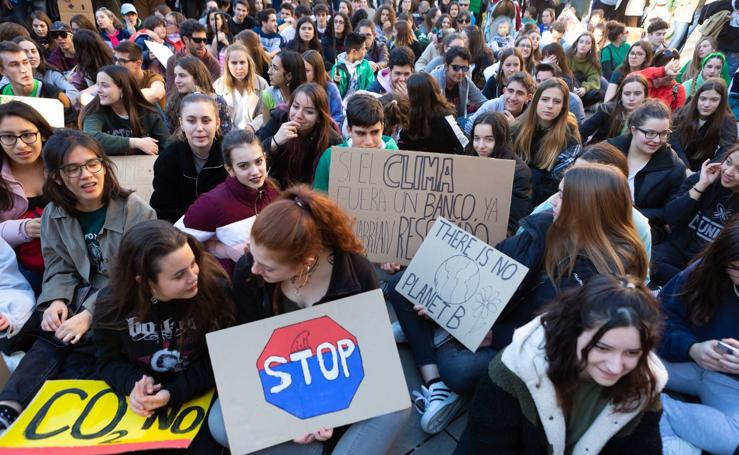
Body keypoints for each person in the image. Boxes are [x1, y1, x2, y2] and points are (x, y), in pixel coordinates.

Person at [391, 163, 650, 435]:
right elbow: (492, 262)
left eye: (562, 195)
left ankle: (433, 334)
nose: (553, 199)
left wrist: (489, 333)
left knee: (460, 369)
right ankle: (435, 383)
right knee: (403, 284)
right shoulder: (543, 224)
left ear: (583, 207)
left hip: (523, 345)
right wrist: (449, 302)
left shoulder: (606, 277)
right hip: (489, 313)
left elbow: (559, 340)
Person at [208, 185, 410, 452]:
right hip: (280, 378)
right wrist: (292, 415)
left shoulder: (355, 271)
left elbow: (370, 352)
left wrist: (330, 416)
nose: (255, 269)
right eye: (253, 256)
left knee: (396, 406)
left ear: (306, 262)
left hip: (338, 378)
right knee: (221, 423)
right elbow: (247, 349)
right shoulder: (249, 270)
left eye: (268, 267)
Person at [0, 129, 155, 431]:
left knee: (85, 342)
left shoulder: (135, 210)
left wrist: (89, 315)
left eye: (92, 163)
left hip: (126, 298)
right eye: (73, 168)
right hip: (78, 294)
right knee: (53, 333)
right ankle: (10, 403)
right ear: (56, 176)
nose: (86, 174)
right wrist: (56, 300)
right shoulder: (54, 214)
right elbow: (58, 266)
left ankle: (70, 412)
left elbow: (135, 275)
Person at [460, 273, 665, 453]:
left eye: (631, 352)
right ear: (574, 331)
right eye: (602, 348)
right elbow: (490, 445)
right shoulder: (514, 370)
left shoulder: (644, 386)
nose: (615, 366)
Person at [93, 220, 236, 452]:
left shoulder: (214, 290)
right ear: (145, 282)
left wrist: (173, 393)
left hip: (199, 391)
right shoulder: (112, 305)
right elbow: (106, 360)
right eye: (179, 275)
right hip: (143, 401)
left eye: (193, 264)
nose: (193, 277)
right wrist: (134, 383)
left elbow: (221, 360)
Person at [657, 219, 739, 455]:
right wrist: (692, 348)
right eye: (737, 268)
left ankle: (651, 406)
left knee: (733, 441)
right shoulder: (706, 272)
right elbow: (660, 316)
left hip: (731, 385)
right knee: (618, 361)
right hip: (683, 361)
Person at [183, 129, 279, 273]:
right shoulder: (211, 203)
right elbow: (178, 240)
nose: (255, 171)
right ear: (230, 170)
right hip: (235, 287)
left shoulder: (273, 191)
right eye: (244, 166)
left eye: (259, 161)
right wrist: (224, 250)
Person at [651, 147, 739, 286]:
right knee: (648, 261)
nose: (728, 172)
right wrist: (701, 185)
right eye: (728, 162)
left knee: (706, 286)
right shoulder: (703, 178)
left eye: (738, 170)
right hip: (674, 252)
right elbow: (671, 216)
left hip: (708, 267)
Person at [606, 99, 687, 240]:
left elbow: (670, 211)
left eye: (663, 134)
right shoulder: (608, 150)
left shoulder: (674, 167)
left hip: (640, 229)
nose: (656, 140)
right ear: (633, 129)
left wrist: (630, 213)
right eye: (650, 133)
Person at [0, 102, 54, 293]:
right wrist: (23, 229)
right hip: (19, 268)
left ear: (43, 133)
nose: (20, 145)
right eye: (8, 137)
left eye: (27, 134)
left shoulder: (62, 164)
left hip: (72, 255)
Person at [150, 93, 227, 222]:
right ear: (181, 123)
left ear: (217, 123)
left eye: (206, 120)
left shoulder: (230, 156)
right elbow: (164, 209)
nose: (199, 128)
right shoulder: (168, 160)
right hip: (181, 230)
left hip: (223, 227)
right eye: (191, 121)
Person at [257, 82, 342, 187]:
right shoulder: (279, 119)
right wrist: (274, 141)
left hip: (313, 195)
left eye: (309, 112)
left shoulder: (331, 139)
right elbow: (253, 150)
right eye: (296, 107)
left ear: (319, 117)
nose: (298, 115)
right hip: (277, 191)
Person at [511, 78, 581, 205]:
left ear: (563, 106)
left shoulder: (570, 139)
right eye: (545, 99)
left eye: (557, 101)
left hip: (543, 203)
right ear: (536, 101)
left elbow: (556, 186)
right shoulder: (515, 129)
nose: (550, 106)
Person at [313, 93, 399, 191]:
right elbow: (319, 199)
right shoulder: (330, 158)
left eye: (375, 132)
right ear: (349, 130)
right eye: (361, 133)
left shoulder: (395, 158)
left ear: (382, 128)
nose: (369, 142)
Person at [79, 65, 169, 156]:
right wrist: (135, 142)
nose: (99, 90)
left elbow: (166, 143)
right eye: (98, 85)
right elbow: (91, 137)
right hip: (108, 166)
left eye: (105, 85)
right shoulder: (95, 109)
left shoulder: (147, 109)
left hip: (144, 165)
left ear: (123, 89)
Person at [466, 112, 532, 233]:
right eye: (476, 138)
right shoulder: (468, 156)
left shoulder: (518, 172)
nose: (481, 146)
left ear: (502, 139)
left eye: (489, 139)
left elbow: (514, 222)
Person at [0, 42, 75, 126]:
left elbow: (71, 131)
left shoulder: (55, 96)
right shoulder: (2, 94)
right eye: (14, 65)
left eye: (25, 62)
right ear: (2, 71)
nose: (23, 70)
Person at [671, 79, 737, 172]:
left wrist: (704, 172)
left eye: (714, 100)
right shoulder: (687, 108)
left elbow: (725, 150)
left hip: (704, 167)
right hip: (678, 160)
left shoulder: (728, 120)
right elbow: (673, 137)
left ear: (721, 101)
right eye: (703, 98)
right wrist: (684, 166)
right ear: (697, 97)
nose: (706, 104)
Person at [398, 72, 468, 154]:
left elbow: (464, 145)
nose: (405, 93)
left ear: (415, 96)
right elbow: (400, 145)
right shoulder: (408, 115)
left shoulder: (444, 117)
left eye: (408, 90)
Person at [166, 56, 233, 136]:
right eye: (175, 75)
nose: (176, 80)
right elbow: (168, 134)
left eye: (182, 75)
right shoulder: (173, 102)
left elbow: (226, 135)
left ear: (196, 78)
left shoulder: (217, 101)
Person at [213, 43, 268, 131]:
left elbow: (269, 111)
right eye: (234, 63)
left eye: (242, 62)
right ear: (227, 65)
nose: (239, 67)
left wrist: (253, 126)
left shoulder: (262, 83)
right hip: (228, 137)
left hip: (255, 135)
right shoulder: (218, 86)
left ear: (248, 63)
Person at [580, 74, 648, 144]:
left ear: (645, 95)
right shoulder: (607, 110)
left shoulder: (649, 117)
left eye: (637, 94)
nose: (631, 98)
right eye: (627, 94)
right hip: (600, 151)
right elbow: (582, 132)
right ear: (621, 95)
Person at [464, 71, 536, 135]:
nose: (513, 97)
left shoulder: (531, 116)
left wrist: (513, 128)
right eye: (510, 91)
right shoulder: (492, 106)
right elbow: (468, 128)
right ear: (504, 91)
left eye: (520, 93)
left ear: (528, 97)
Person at [430, 46, 487, 123]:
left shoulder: (465, 81)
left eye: (465, 68)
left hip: (456, 122)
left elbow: (483, 103)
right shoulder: (434, 80)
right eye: (456, 67)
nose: (460, 72)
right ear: (446, 66)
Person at [165, 19, 222, 93]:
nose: (202, 44)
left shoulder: (213, 64)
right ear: (185, 39)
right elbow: (170, 93)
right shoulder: (172, 61)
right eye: (197, 40)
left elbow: (212, 94)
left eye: (204, 40)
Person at [112, 41, 166, 107]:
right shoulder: (114, 77)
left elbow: (156, 94)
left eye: (122, 61)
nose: (116, 64)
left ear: (138, 63)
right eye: (115, 59)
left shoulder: (153, 77)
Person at [261, 49, 307, 122]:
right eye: (270, 66)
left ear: (289, 75)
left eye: (275, 68)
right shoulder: (268, 94)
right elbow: (266, 130)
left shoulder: (307, 97)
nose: (269, 72)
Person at [302, 49, 344, 126]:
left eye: (307, 70)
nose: (302, 74)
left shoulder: (330, 88)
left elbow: (338, 116)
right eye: (300, 70)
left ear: (317, 71)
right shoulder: (298, 86)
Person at [330, 31, 376, 99]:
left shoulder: (366, 65)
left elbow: (371, 88)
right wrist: (336, 84)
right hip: (343, 105)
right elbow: (336, 95)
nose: (366, 51)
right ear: (354, 52)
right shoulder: (337, 68)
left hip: (362, 103)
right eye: (363, 49)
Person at [566, 32, 602, 106]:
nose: (583, 45)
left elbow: (594, 80)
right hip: (569, 86)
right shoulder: (567, 57)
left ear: (591, 47)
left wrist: (584, 89)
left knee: (599, 93)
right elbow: (563, 75)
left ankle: (581, 104)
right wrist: (572, 87)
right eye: (581, 42)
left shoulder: (593, 62)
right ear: (577, 44)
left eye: (587, 43)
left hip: (582, 90)